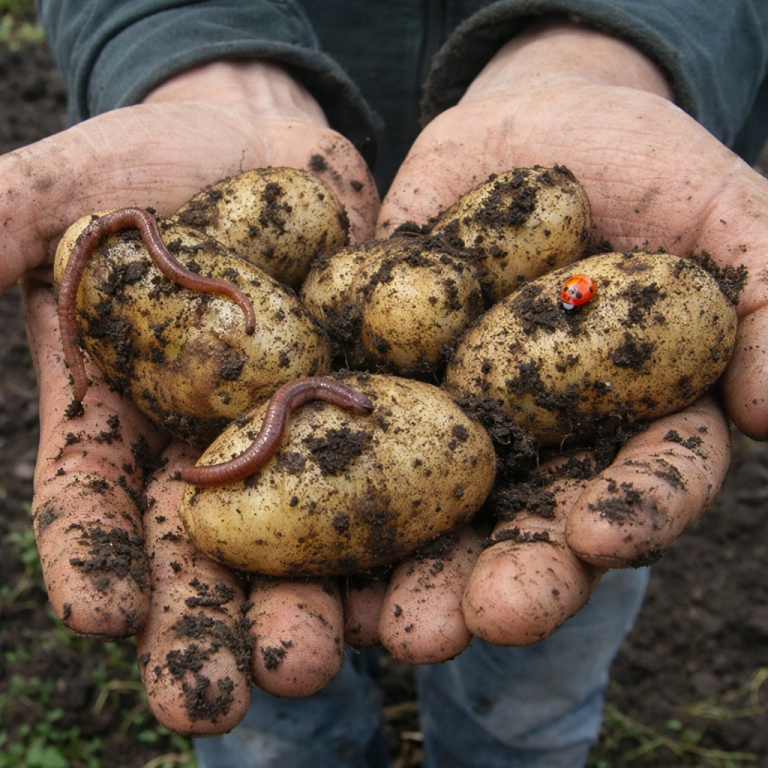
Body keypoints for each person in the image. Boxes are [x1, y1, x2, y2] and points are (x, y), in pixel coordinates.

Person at [3, 0, 766, 765]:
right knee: (270, 685)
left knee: (538, 647)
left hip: (494, 197)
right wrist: (197, 56)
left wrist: (599, 50)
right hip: (278, 149)